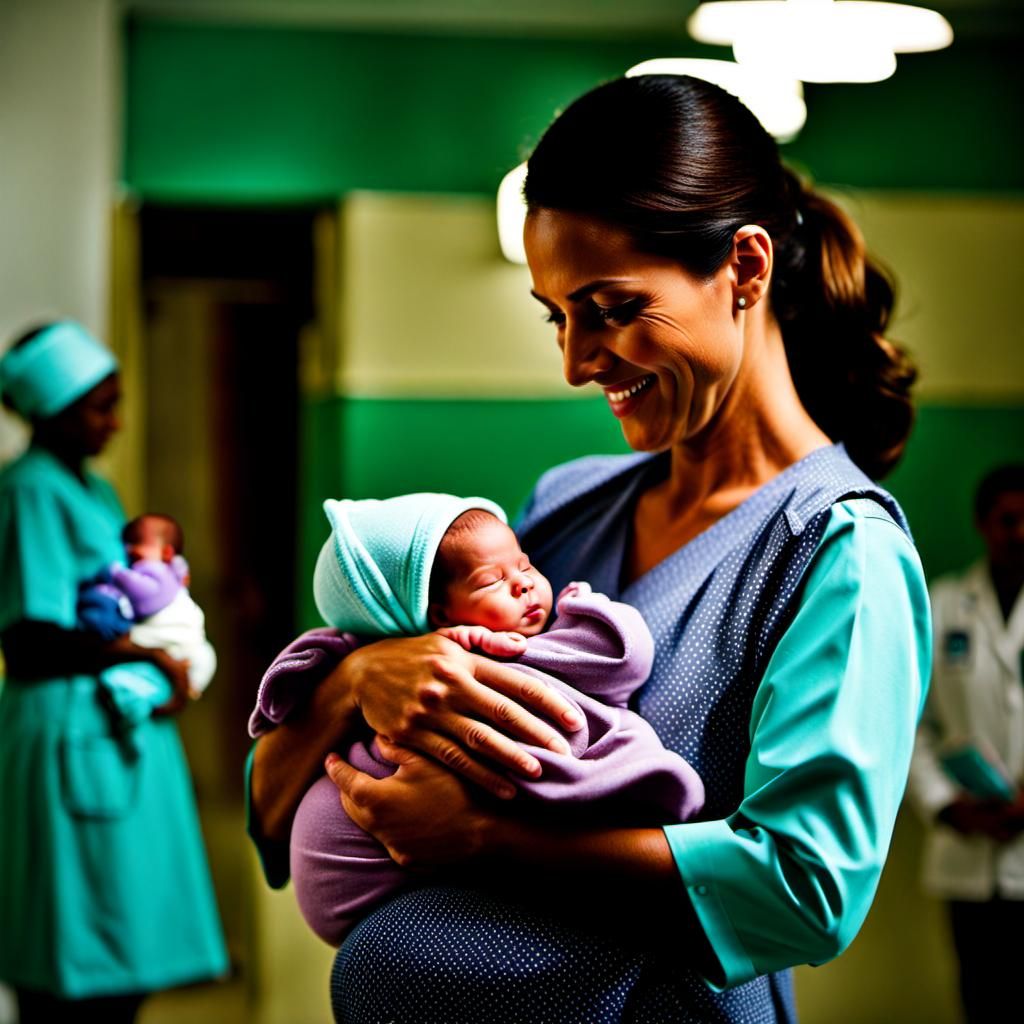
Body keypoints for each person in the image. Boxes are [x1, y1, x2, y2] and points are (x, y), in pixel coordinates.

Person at [247, 74, 932, 1023]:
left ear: (744, 267)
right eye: (557, 316)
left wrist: (486, 840)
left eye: (609, 309)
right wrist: (358, 682)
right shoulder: (565, 509)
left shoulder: (837, 551)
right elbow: (283, 801)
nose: (575, 362)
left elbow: (806, 888)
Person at [249, 493, 704, 944]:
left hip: (364, 897)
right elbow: (621, 656)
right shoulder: (562, 506)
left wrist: (484, 835)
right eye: (491, 581)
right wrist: (587, 610)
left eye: (526, 566)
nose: (524, 584)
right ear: (438, 615)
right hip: (368, 880)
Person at [0, 321, 228, 1023]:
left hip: (111, 736)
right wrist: (151, 656)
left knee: (123, 958)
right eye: (100, 406)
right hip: (70, 737)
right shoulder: (32, 490)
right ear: (53, 407)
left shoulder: (90, 490)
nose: (116, 422)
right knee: (76, 966)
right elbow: (33, 640)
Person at [907, 464, 1024, 1023]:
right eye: (1008, 520)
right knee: (981, 1000)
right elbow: (914, 726)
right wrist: (948, 806)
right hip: (967, 846)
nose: (1020, 532)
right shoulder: (945, 604)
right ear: (983, 525)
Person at [79, 512, 218, 696]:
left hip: (166, 629)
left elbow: (146, 596)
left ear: (166, 552)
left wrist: (117, 573)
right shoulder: (172, 571)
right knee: (202, 657)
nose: (130, 549)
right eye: (128, 543)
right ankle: (189, 685)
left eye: (138, 542)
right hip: (179, 636)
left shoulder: (157, 572)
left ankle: (130, 697)